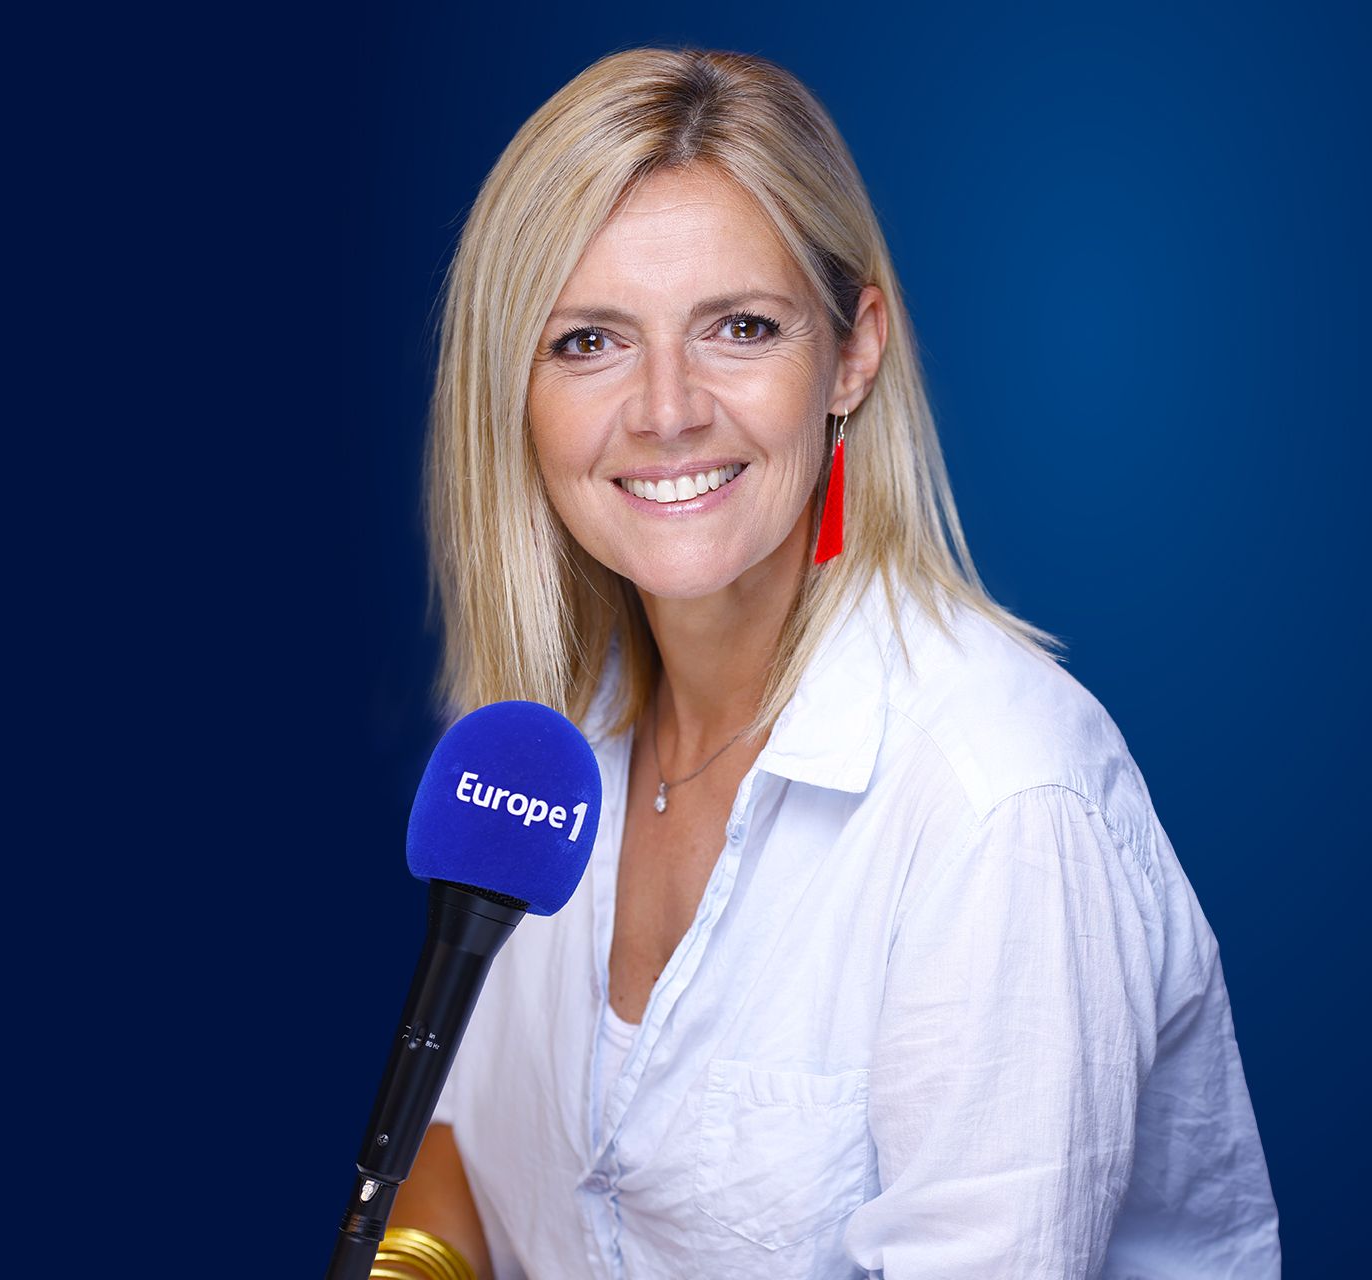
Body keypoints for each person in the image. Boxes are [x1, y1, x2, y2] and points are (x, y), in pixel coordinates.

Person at [381, 46, 1279, 1280]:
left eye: (740, 328)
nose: (665, 410)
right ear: (515, 388)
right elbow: (469, 1155)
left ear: (853, 353)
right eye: (588, 340)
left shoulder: (995, 800)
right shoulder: (541, 748)